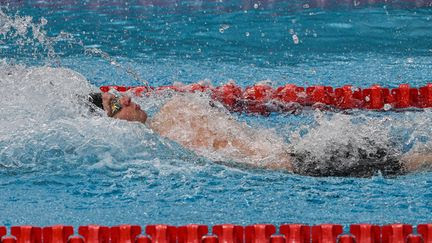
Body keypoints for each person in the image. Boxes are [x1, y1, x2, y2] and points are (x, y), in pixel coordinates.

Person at [87, 92, 431, 177]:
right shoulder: (159, 145)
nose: (126, 98)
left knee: (413, 162)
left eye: (115, 95)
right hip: (300, 163)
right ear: (111, 126)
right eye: (115, 105)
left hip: (300, 161)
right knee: (413, 162)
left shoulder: (173, 116)